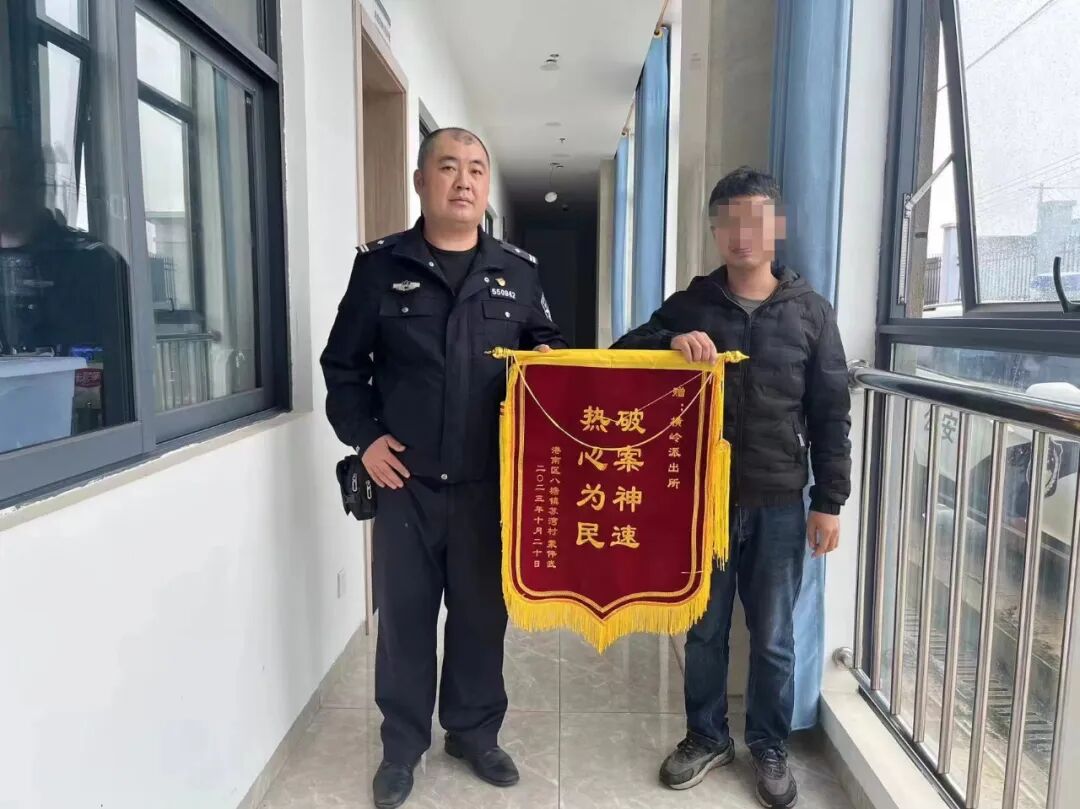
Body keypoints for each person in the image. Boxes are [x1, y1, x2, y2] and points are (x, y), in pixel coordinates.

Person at [320, 127, 566, 809]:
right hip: (407, 483)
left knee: (481, 617)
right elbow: (343, 367)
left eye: (476, 169)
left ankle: (474, 733)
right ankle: (402, 745)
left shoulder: (518, 271)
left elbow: (546, 347)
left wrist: (549, 362)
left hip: (489, 484)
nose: (464, 180)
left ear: (485, 188)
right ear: (421, 181)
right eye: (449, 167)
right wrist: (366, 438)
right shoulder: (380, 268)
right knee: (404, 619)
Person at [613, 166, 851, 809]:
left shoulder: (810, 311)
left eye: (756, 220)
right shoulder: (692, 304)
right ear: (715, 231)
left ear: (777, 227)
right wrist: (671, 340)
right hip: (701, 501)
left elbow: (832, 411)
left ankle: (769, 745)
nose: (743, 234)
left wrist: (828, 502)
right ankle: (706, 736)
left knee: (773, 637)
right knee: (704, 630)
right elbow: (624, 351)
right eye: (730, 222)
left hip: (780, 501)